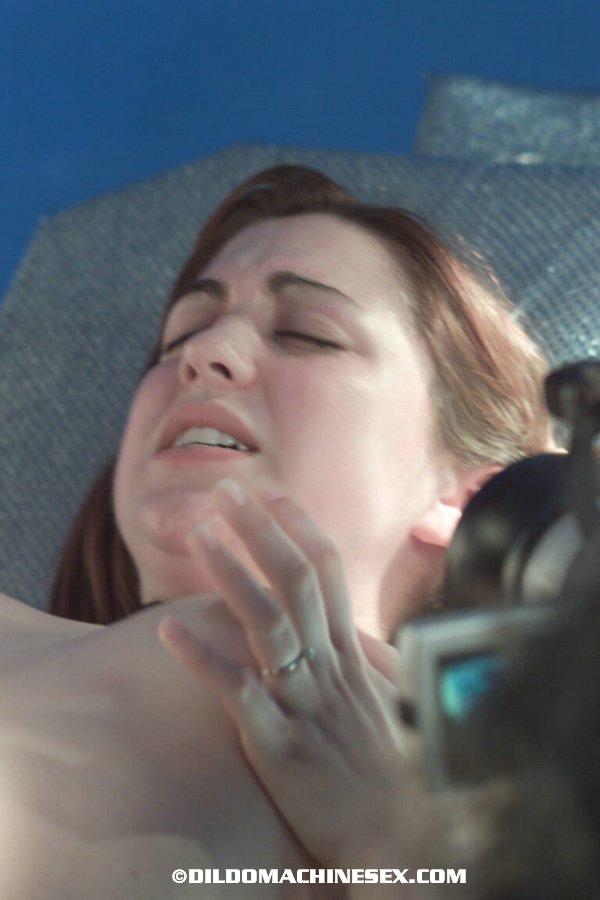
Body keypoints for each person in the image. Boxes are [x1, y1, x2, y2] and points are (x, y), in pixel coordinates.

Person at [0, 165, 553, 897]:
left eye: (307, 334)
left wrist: (408, 849)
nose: (203, 354)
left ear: (469, 498)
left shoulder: (515, 793)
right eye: (179, 336)